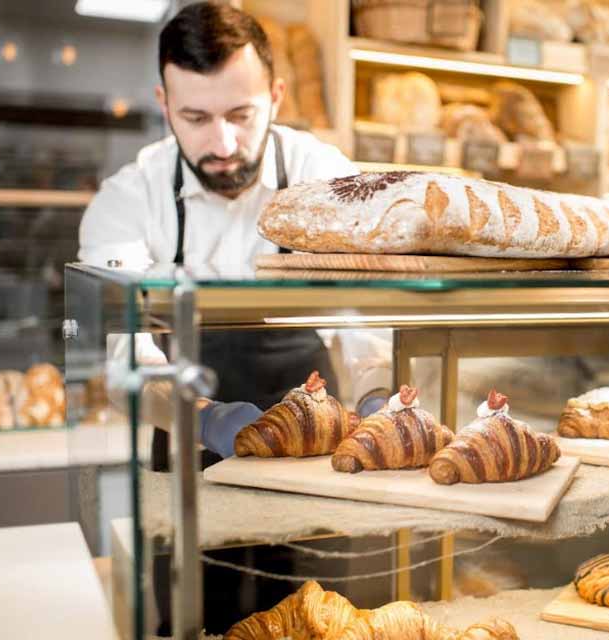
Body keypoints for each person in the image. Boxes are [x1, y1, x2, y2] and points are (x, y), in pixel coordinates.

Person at [78, 3, 390, 633]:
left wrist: (378, 397)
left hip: (319, 430)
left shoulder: (325, 176)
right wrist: (208, 420)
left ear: (276, 95)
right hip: (191, 432)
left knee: (315, 609)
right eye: (196, 117)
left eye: (241, 115)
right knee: (196, 609)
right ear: (164, 103)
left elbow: (366, 311)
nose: (222, 144)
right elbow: (123, 348)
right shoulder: (127, 197)